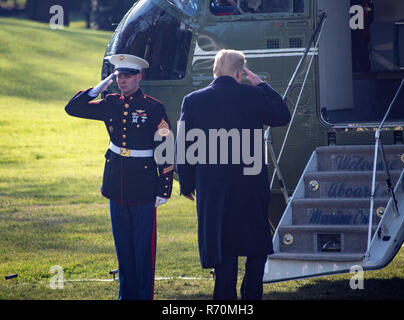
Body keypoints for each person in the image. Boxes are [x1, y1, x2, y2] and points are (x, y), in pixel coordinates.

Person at [175, 49, 290, 300]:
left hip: (213, 187)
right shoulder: (253, 94)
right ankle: (251, 295)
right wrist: (263, 85)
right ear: (241, 72)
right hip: (250, 185)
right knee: (256, 244)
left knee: (223, 247)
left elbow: (183, 146)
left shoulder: (193, 100)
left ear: (214, 71)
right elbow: (282, 115)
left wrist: (186, 183)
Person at [65, 54, 173, 300]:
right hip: (116, 183)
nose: (123, 81)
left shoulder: (153, 107)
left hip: (144, 185)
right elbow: (72, 108)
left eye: (127, 76)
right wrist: (100, 86)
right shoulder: (110, 102)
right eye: (119, 77)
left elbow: (166, 145)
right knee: (124, 249)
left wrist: (164, 186)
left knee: (143, 250)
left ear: (139, 77)